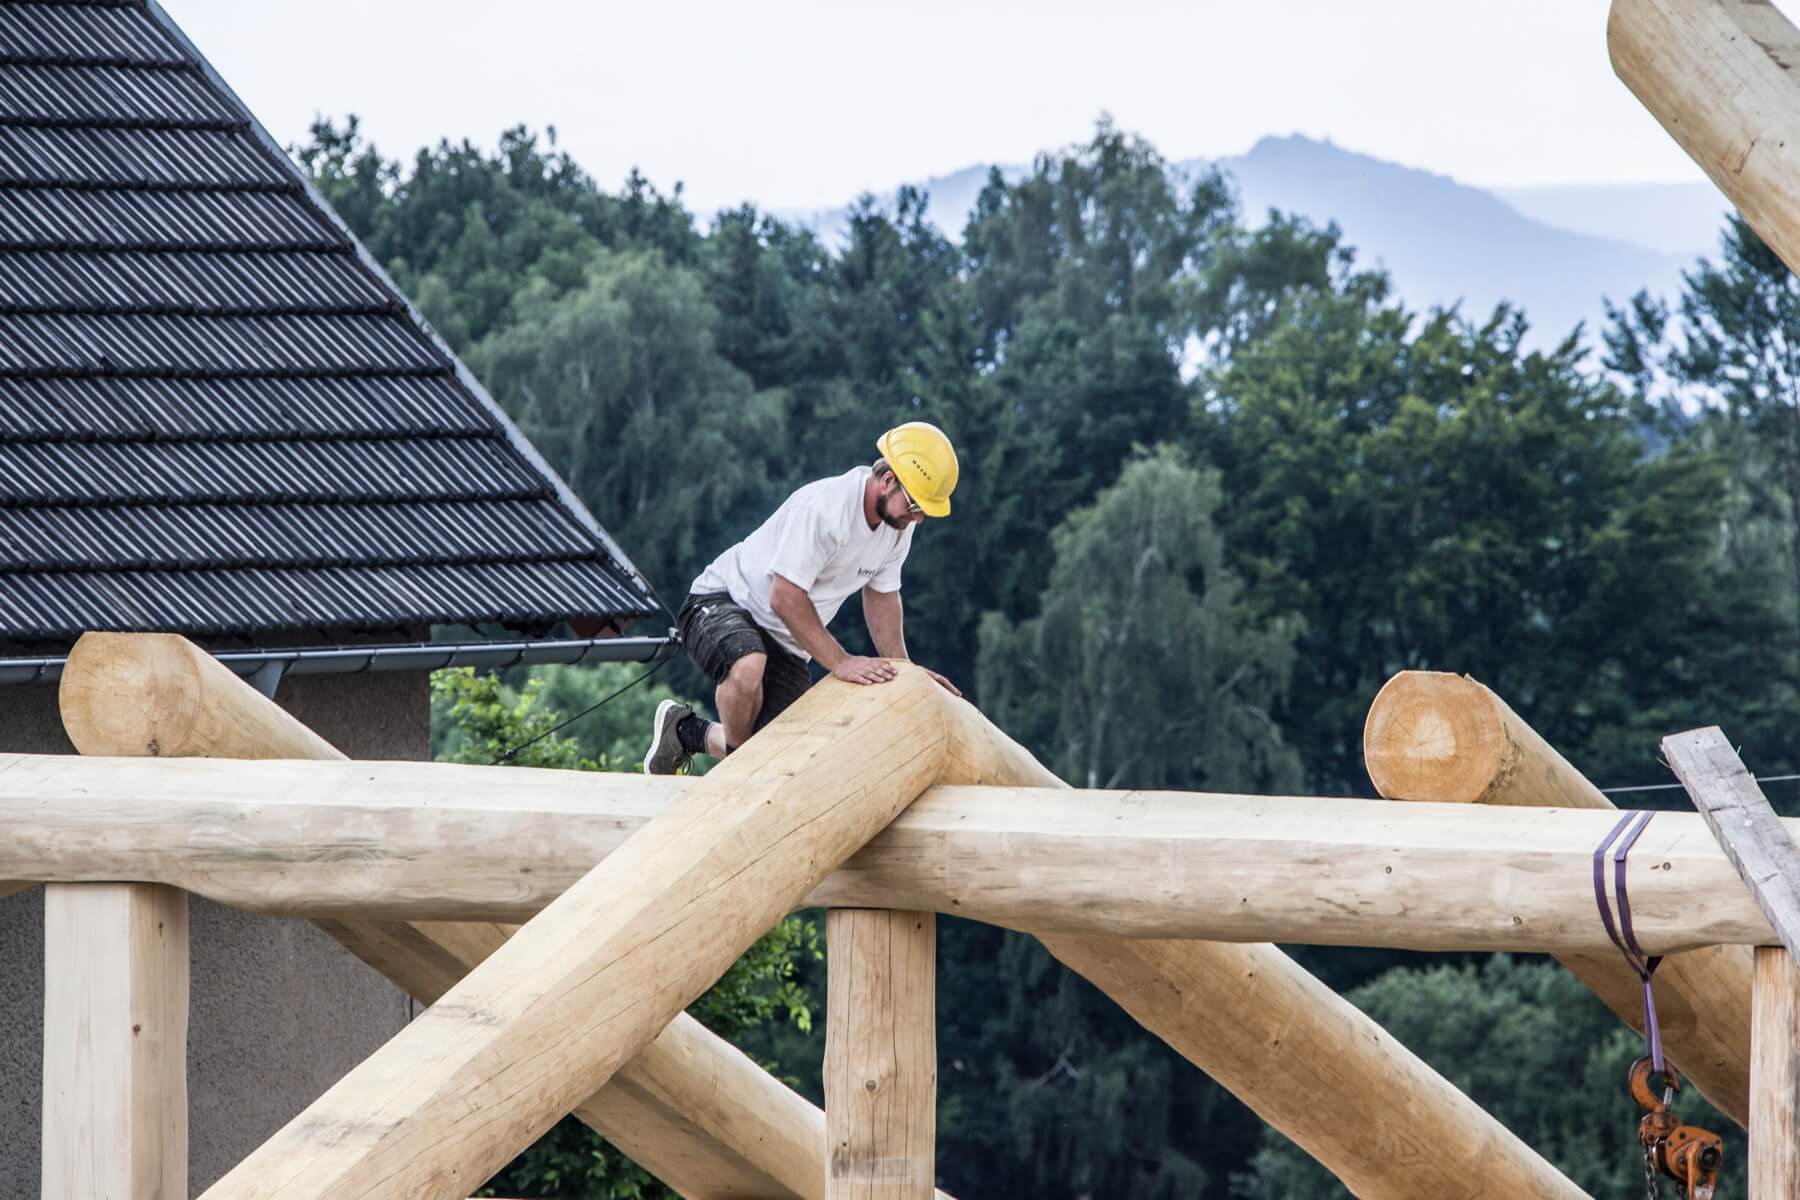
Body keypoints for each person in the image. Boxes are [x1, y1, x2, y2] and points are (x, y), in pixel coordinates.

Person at [643, 421, 961, 775]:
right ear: (887, 481)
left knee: (795, 759)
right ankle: (737, 772)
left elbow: (883, 597)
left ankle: (685, 732)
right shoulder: (826, 509)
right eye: (915, 505)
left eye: (924, 512)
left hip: (788, 641)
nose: (918, 517)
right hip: (721, 603)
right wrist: (841, 662)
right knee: (748, 664)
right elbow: (784, 596)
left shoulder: (899, 528)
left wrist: (906, 671)